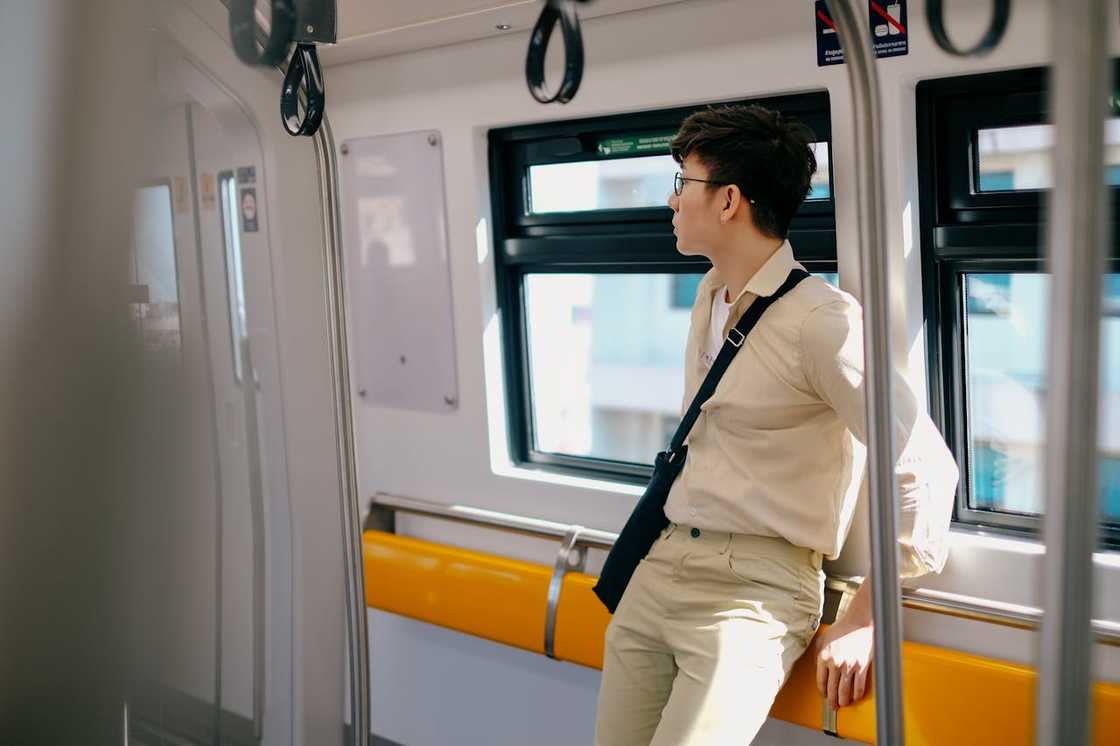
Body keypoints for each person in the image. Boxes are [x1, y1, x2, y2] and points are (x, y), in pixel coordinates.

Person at [593, 104, 959, 746]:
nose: (672, 201)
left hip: (752, 592)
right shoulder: (709, 296)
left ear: (729, 200)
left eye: (684, 183)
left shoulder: (822, 322)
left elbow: (922, 464)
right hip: (661, 565)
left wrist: (868, 616)